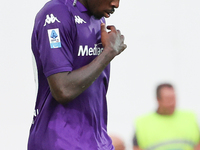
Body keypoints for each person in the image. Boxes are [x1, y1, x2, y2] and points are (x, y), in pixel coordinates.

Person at [28, 0, 127, 149]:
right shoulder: (56, 14)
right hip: (59, 142)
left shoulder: (98, 18)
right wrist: (108, 53)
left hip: (97, 142)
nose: (116, 4)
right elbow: (63, 89)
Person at [133, 83, 200, 150]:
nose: (172, 102)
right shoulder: (143, 123)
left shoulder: (189, 118)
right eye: (168, 99)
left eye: (173, 98)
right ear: (158, 99)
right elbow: (137, 148)